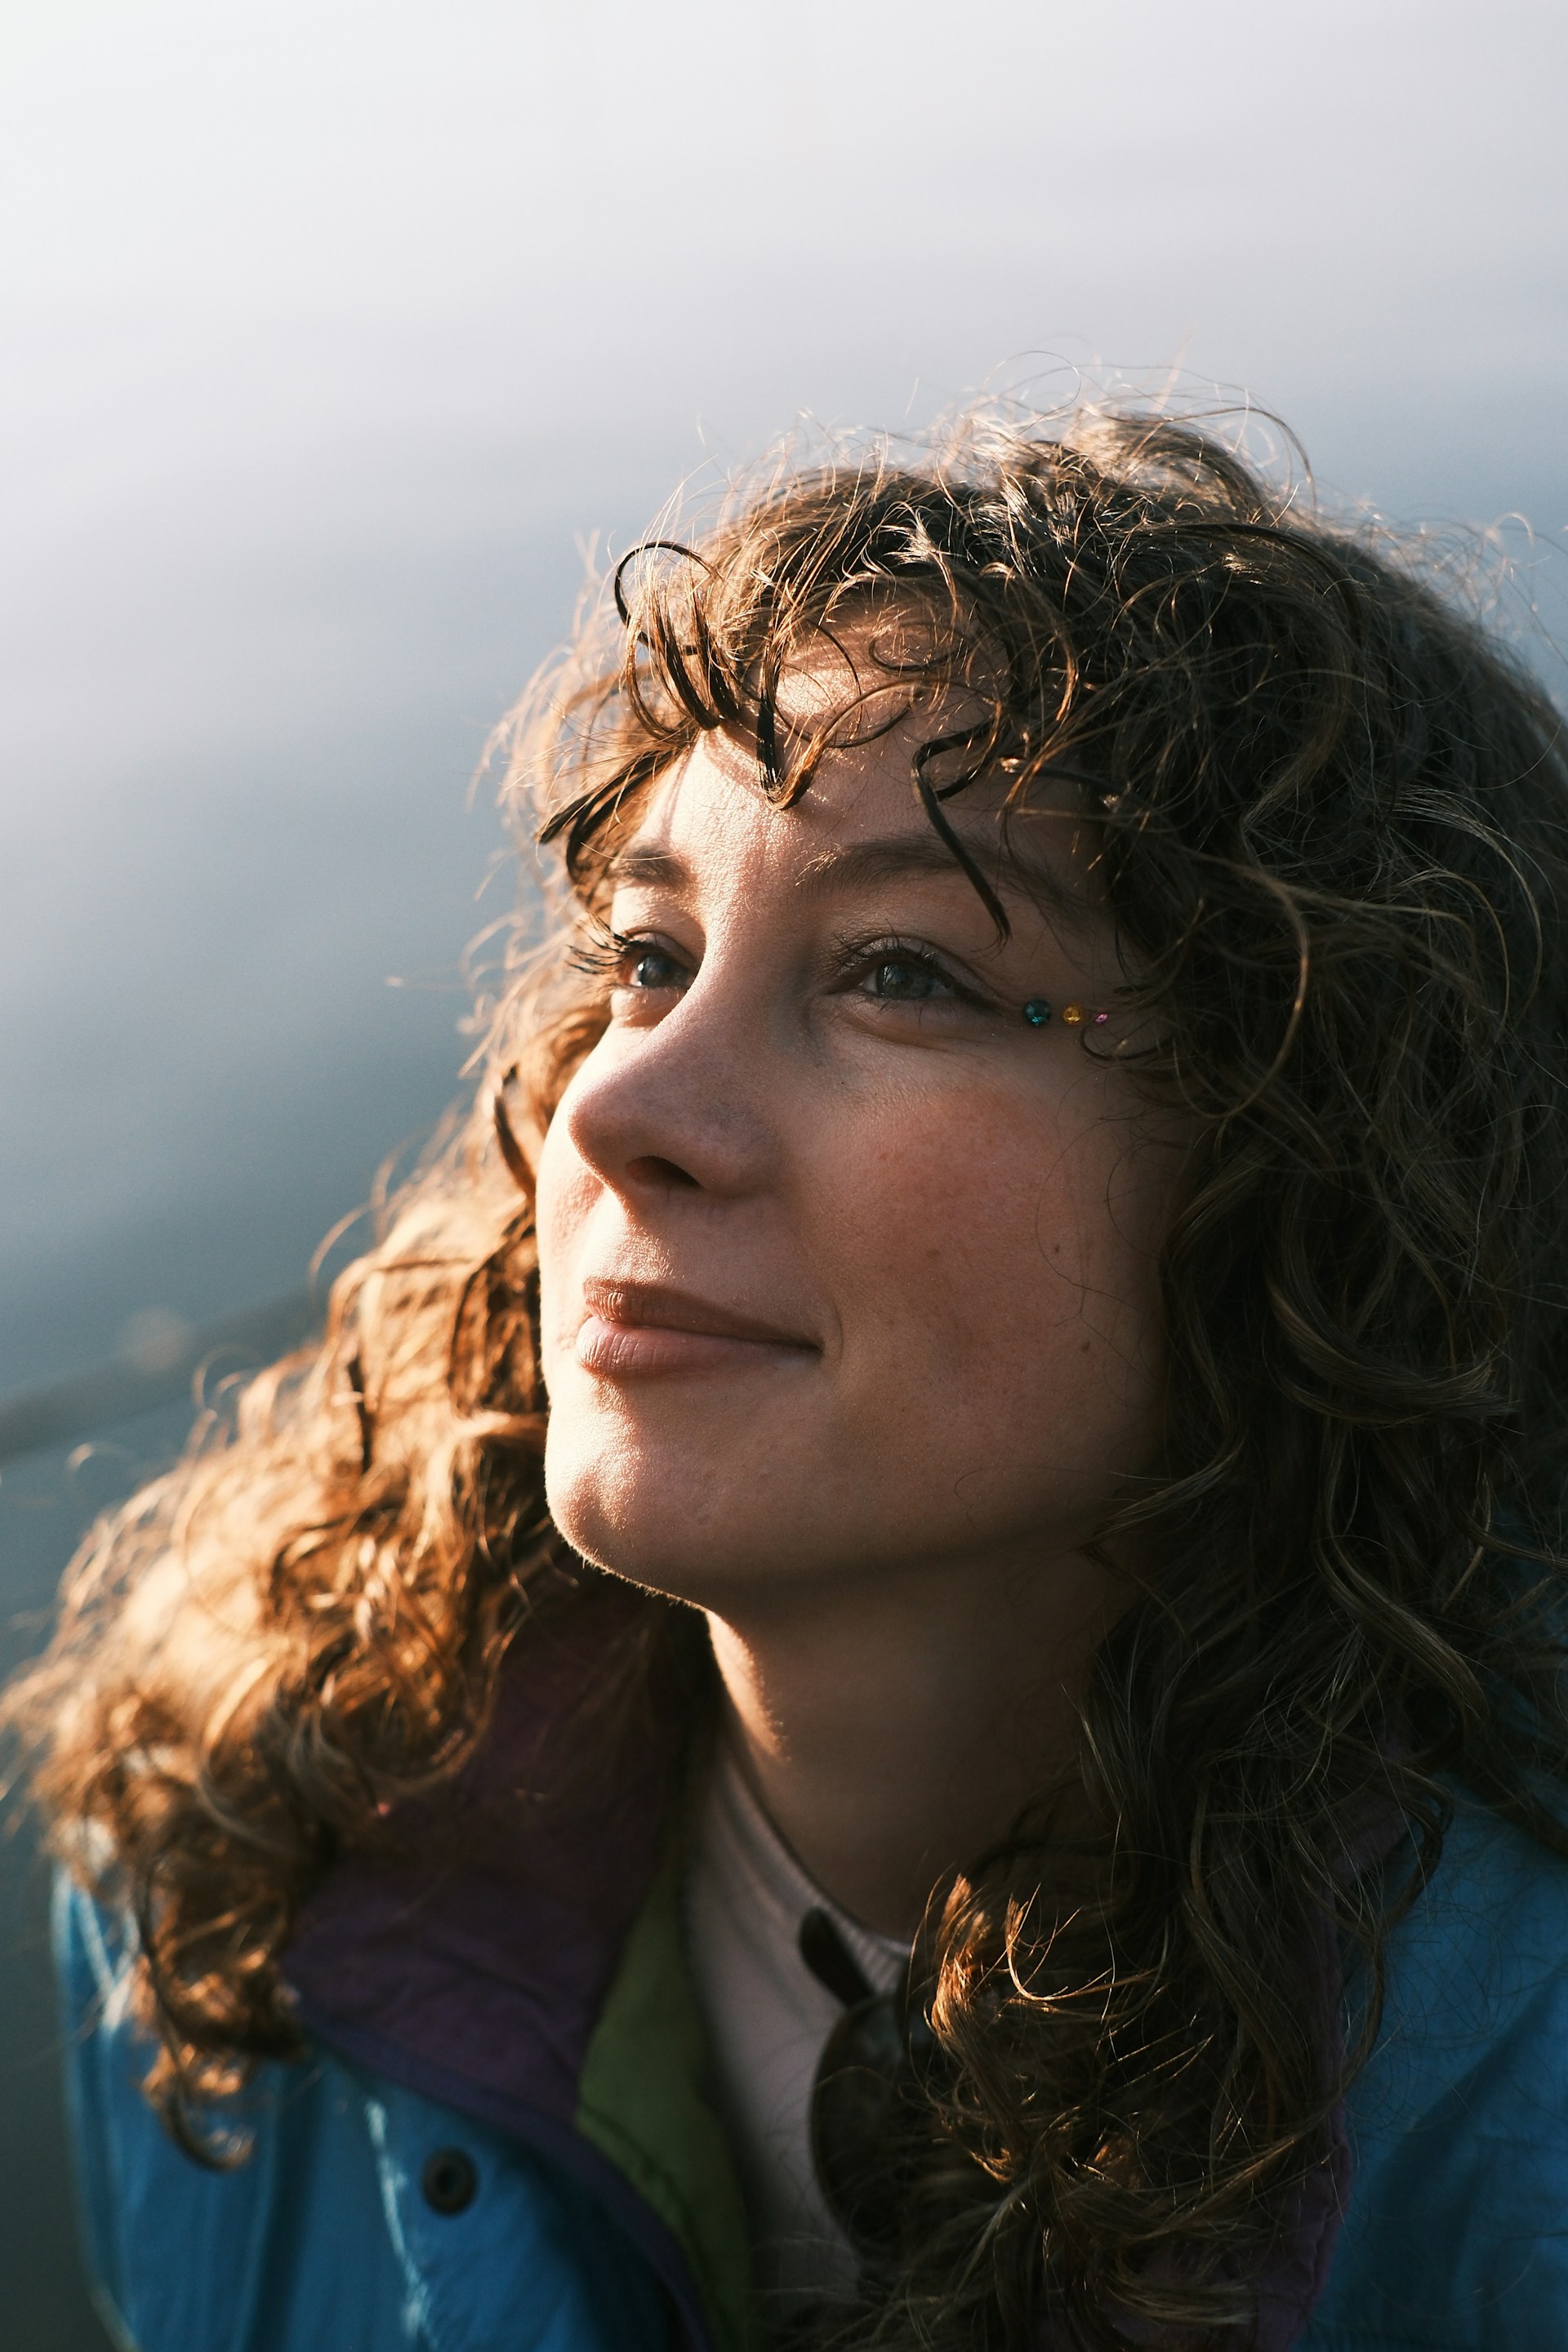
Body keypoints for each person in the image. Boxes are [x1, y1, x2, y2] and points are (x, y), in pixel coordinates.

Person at [16, 403, 1568, 2352]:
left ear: (1316, 1172)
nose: (620, 1108)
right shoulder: (249, 1844)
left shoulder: (1519, 2128)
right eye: (648, 957)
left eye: (899, 969)